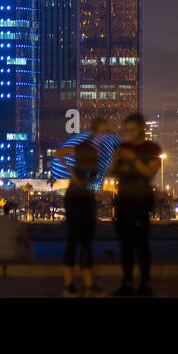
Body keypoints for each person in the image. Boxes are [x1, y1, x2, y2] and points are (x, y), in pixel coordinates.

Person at [108, 113, 161, 296]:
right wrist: (116, 159)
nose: (128, 134)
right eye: (127, 130)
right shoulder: (122, 147)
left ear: (141, 129)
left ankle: (145, 284)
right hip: (123, 201)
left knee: (140, 244)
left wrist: (133, 158)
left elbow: (149, 172)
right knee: (125, 245)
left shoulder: (151, 148)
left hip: (141, 201)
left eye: (132, 130)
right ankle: (127, 283)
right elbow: (110, 173)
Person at [56, 121, 106, 296]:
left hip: (86, 195)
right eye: (103, 130)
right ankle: (69, 284)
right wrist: (72, 173)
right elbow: (59, 152)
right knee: (74, 238)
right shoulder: (84, 147)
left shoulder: (98, 151)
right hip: (76, 196)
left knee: (86, 240)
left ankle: (88, 283)